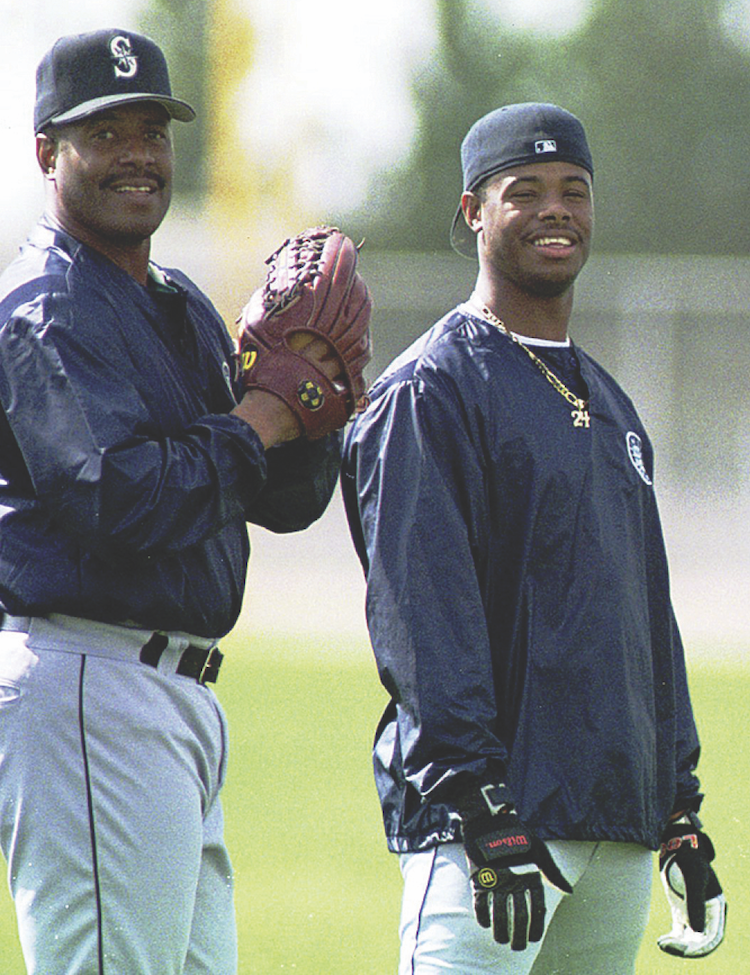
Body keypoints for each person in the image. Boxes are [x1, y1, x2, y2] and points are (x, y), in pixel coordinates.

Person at [341, 102, 726, 974]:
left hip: (614, 821)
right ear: (475, 210)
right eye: (526, 191)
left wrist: (677, 807)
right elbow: (422, 618)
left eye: (573, 190)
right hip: (495, 828)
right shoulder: (429, 391)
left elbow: (644, 620)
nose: (556, 209)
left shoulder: (613, 402)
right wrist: (478, 800)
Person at [0, 28, 346, 975]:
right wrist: (266, 415)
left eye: (150, 129)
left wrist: (316, 408)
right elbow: (116, 498)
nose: (137, 154)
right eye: (103, 132)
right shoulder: (42, 306)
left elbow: (273, 495)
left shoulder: (181, 303)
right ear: (46, 152)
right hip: (88, 681)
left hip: (174, 702)